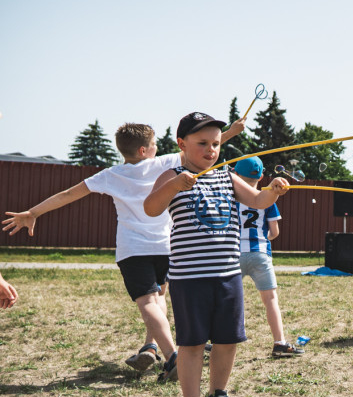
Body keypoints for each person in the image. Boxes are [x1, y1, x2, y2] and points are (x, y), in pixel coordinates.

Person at [3, 119, 244, 378]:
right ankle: (152, 347)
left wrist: (33, 212)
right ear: (144, 150)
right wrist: (232, 132)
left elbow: (68, 194)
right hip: (165, 246)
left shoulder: (110, 175)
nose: (156, 148)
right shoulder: (164, 163)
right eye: (153, 145)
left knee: (148, 302)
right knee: (159, 298)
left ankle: (172, 356)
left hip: (133, 250)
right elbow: (202, 151)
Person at [144, 112, 288, 397]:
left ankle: (218, 396)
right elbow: (151, 208)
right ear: (181, 144)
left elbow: (258, 200)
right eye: (203, 144)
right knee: (192, 344)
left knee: (227, 340)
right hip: (188, 278)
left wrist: (274, 191)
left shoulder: (227, 176)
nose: (211, 150)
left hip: (227, 275)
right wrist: (176, 185)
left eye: (216, 144)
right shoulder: (172, 175)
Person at [232, 157, 304, 357]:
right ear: (261, 176)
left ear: (235, 175)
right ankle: (279, 342)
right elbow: (274, 232)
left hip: (234, 254)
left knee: (228, 300)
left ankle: (216, 342)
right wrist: (264, 237)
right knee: (271, 299)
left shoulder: (231, 198)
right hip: (260, 253)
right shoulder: (268, 197)